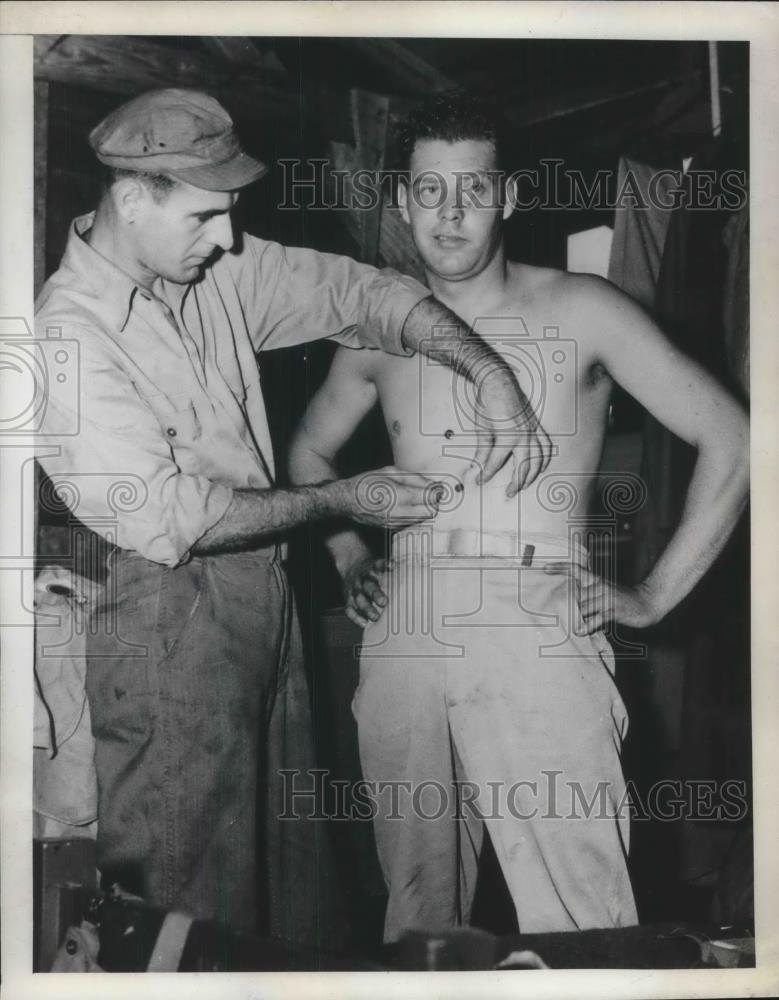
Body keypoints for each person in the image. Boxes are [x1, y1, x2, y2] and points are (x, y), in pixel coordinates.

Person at [34, 88, 551, 943]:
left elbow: (363, 292)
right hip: (167, 619)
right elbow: (177, 517)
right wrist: (343, 503)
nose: (228, 239)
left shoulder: (209, 269)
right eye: (207, 217)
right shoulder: (68, 336)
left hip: (262, 600)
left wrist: (487, 371)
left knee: (292, 900)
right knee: (185, 911)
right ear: (132, 199)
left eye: (230, 216)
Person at [288, 92, 749, 942]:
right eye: (429, 192)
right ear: (403, 203)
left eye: (471, 190)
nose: (450, 213)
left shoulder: (583, 309)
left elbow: (735, 435)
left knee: (582, 919)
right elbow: (308, 456)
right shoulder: (375, 336)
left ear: (507, 197)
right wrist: (352, 556)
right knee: (419, 919)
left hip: (536, 618)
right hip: (408, 631)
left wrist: (653, 595)